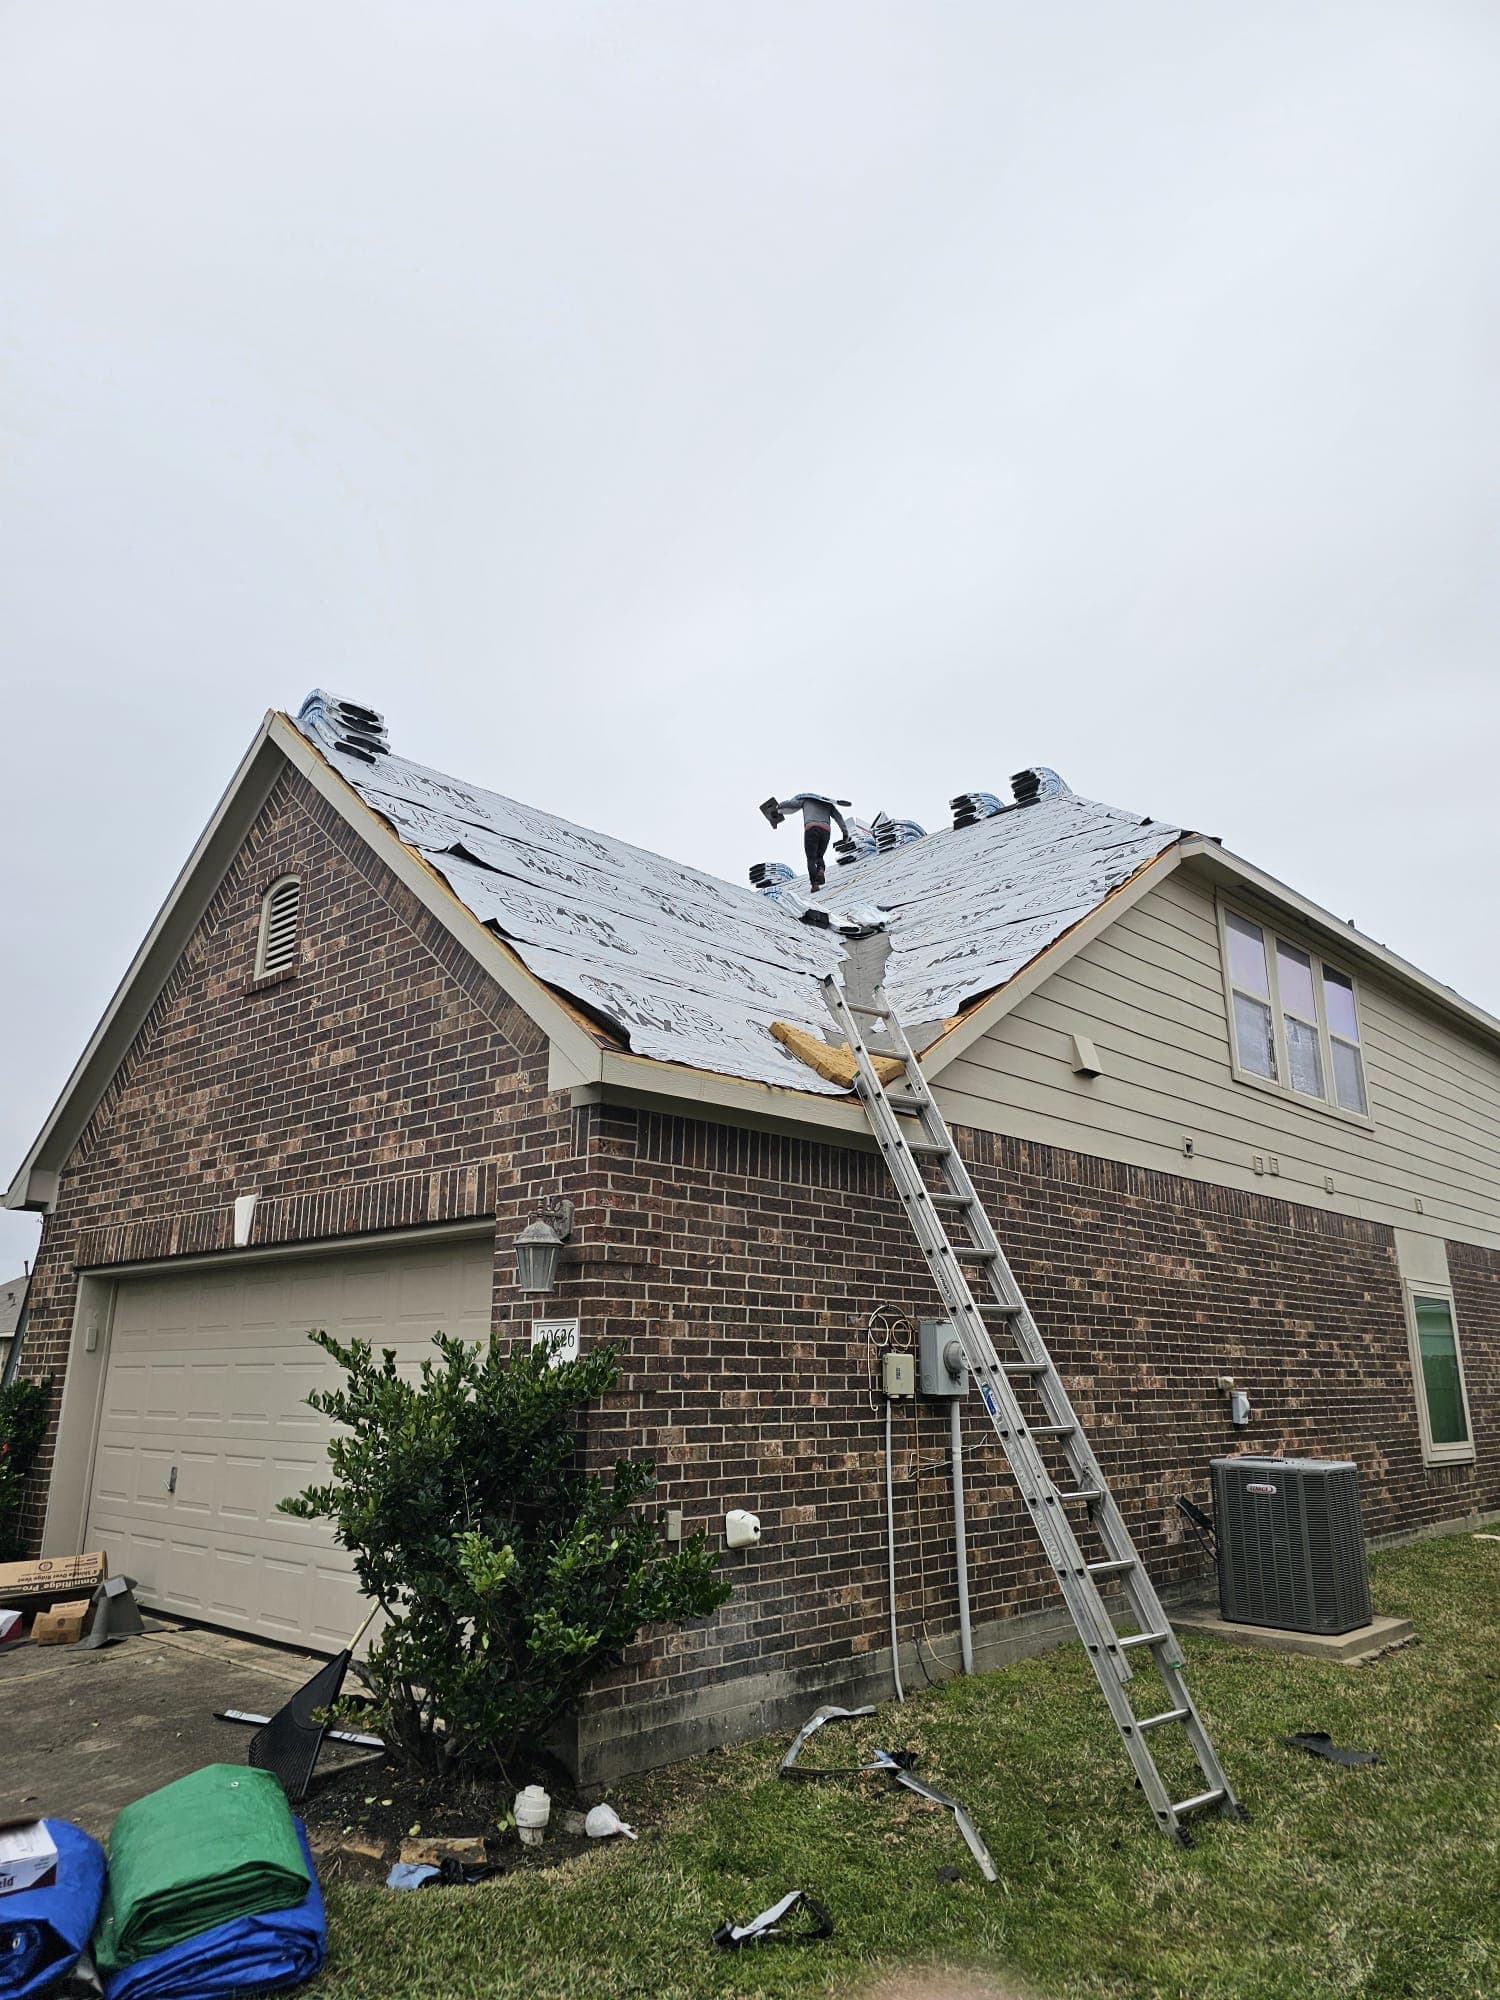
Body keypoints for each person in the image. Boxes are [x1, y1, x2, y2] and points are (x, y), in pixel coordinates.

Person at [768, 793, 850, 890]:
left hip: (811, 828)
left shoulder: (806, 800)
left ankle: (814, 884)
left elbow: (791, 804)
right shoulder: (828, 804)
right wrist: (845, 833)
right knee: (819, 856)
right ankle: (821, 869)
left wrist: (778, 807)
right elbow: (838, 817)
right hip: (826, 831)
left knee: (811, 858)